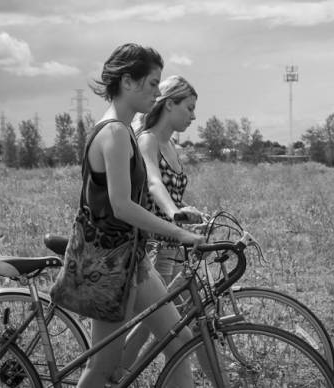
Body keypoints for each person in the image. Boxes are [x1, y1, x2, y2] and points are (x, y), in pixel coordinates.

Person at [77, 43, 203, 387]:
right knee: (102, 367)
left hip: (129, 258)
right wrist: (177, 231)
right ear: (128, 82)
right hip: (109, 263)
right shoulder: (115, 133)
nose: (157, 92)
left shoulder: (121, 131)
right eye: (152, 83)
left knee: (179, 339)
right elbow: (122, 205)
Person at [119, 75, 205, 373]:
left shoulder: (171, 146)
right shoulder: (148, 140)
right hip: (154, 246)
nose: (194, 116)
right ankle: (113, 372)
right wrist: (173, 213)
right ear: (170, 104)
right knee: (163, 325)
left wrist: (187, 215)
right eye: (189, 108)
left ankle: (115, 374)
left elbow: (172, 195)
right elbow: (154, 183)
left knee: (173, 324)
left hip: (174, 245)